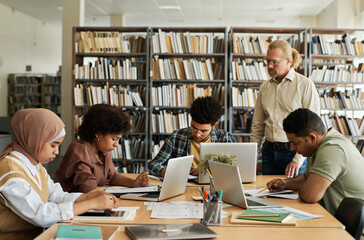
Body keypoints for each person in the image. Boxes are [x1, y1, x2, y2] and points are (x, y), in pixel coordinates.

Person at [0, 108, 119, 239]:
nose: (57, 152)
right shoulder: (11, 173)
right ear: (34, 139)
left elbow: (56, 196)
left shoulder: (35, 165)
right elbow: (41, 215)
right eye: (53, 145)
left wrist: (88, 197)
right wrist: (92, 204)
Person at [266, 108, 364, 215]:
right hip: (335, 218)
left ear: (312, 138)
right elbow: (306, 178)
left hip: (349, 228)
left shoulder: (332, 149)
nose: (292, 148)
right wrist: (285, 184)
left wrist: (308, 186)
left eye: (294, 143)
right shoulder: (317, 146)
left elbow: (310, 195)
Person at [250, 39, 320, 178]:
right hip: (268, 152)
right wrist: (251, 155)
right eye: (267, 61)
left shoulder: (305, 85)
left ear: (288, 61)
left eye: (275, 62)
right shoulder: (265, 87)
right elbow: (257, 125)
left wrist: (297, 160)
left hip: (294, 152)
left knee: (293, 198)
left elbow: (313, 127)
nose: (270, 66)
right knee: (267, 196)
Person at [55, 104, 149, 193]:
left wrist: (133, 183)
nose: (116, 144)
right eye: (114, 139)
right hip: (74, 206)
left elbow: (112, 176)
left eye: (118, 139)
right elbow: (89, 189)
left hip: (92, 202)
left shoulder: (102, 150)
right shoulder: (80, 150)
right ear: (98, 134)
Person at [149, 96, 235, 178]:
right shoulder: (176, 137)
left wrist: (207, 171)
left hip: (215, 187)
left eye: (203, 131)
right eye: (194, 128)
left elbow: (235, 169)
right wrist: (162, 171)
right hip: (183, 187)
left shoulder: (225, 138)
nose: (197, 134)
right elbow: (153, 165)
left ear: (214, 125)